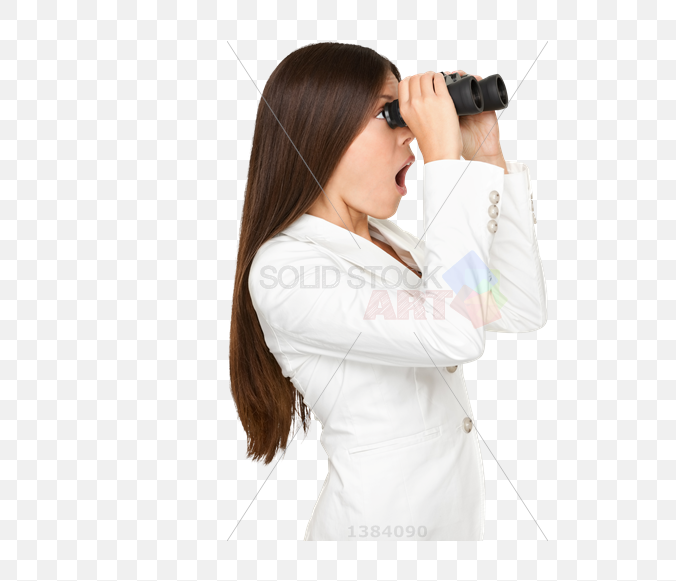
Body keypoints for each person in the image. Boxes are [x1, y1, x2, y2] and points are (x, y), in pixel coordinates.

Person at [229, 42, 547, 540]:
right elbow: (453, 333)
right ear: (322, 131)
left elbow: (517, 307)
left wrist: (485, 155)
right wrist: (444, 163)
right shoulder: (285, 270)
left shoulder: (395, 246)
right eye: (391, 114)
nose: (413, 137)